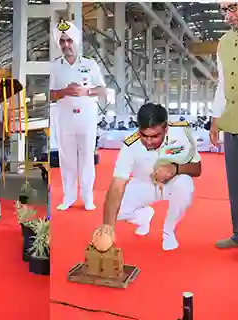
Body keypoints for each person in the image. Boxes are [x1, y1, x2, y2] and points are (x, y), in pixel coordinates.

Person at [93, 103, 201, 251]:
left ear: (166, 128)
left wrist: (176, 168)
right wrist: (108, 227)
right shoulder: (130, 145)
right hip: (144, 184)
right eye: (144, 135)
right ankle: (143, 216)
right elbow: (117, 184)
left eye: (155, 136)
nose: (149, 141)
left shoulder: (181, 134)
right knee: (114, 211)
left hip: (172, 183)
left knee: (185, 185)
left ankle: (168, 232)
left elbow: (197, 168)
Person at [49, 19, 106, 211]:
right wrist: (64, 91)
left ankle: (87, 198)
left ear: (76, 41)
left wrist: (86, 92)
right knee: (67, 159)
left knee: (87, 159)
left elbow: (102, 89)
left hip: (87, 119)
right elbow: (49, 94)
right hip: (64, 119)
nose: (66, 45)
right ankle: (69, 197)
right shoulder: (55, 67)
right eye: (62, 41)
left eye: (69, 40)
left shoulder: (90, 64)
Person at [210, 2, 238, 249]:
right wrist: (215, 118)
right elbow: (221, 83)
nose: (229, 14)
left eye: (234, 7)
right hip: (232, 121)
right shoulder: (224, 42)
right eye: (225, 10)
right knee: (235, 182)